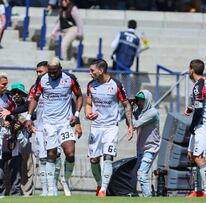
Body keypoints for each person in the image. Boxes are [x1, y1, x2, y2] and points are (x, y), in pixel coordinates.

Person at [26, 57, 83, 196]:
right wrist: (28, 116)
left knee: (70, 153)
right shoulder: (42, 80)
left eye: (54, 72)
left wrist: (76, 114)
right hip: (48, 123)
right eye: (49, 72)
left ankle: (65, 179)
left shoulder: (69, 78)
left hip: (64, 123)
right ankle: (51, 188)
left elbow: (79, 96)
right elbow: (35, 98)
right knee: (51, 154)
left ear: (60, 69)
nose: (51, 75)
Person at [85, 59, 133, 197]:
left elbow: (126, 104)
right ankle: (100, 183)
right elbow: (88, 104)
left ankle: (103, 190)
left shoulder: (116, 85)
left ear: (101, 70)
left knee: (108, 156)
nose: (90, 73)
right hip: (96, 127)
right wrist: (88, 113)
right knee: (94, 160)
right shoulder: (91, 85)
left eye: (92, 70)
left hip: (111, 127)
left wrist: (130, 125)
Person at [184, 59, 206, 198]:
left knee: (199, 158)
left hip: (203, 126)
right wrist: (192, 108)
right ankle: (197, 190)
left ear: (191, 69)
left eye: (188, 69)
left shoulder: (199, 86)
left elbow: (199, 110)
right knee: (191, 156)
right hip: (201, 124)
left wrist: (191, 126)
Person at [131, 90, 160, 197]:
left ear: (147, 100)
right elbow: (125, 118)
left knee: (142, 174)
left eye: (142, 100)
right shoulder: (139, 111)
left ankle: (147, 198)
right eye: (138, 100)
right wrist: (126, 107)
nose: (139, 102)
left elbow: (135, 124)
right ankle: (134, 194)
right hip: (141, 148)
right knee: (136, 172)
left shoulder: (153, 112)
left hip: (151, 148)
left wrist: (130, 111)